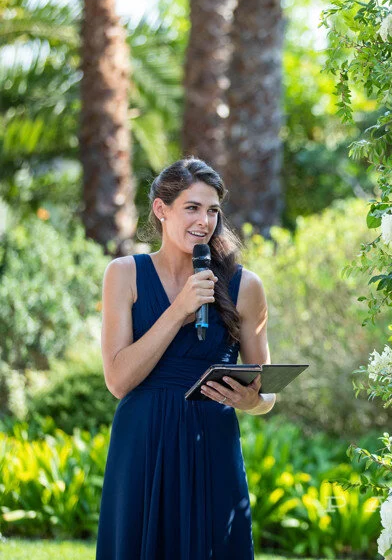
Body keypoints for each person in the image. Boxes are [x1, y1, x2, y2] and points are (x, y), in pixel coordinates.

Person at [96, 158, 275, 559]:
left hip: (212, 441)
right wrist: (178, 310)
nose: (204, 221)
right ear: (161, 209)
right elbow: (118, 380)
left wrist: (254, 402)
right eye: (191, 208)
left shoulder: (246, 286)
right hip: (142, 443)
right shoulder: (123, 274)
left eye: (213, 210)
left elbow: (266, 391)